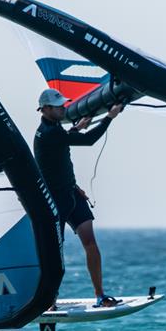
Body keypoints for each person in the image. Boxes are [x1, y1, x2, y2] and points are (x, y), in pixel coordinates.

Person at [33, 88, 124, 308]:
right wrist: (109, 118)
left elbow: (62, 149)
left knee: (91, 244)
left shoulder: (55, 128)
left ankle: (100, 295)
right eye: (58, 106)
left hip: (71, 194)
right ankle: (49, 300)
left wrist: (75, 128)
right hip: (54, 201)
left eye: (63, 105)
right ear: (45, 109)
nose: (63, 108)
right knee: (55, 253)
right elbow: (90, 140)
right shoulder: (48, 132)